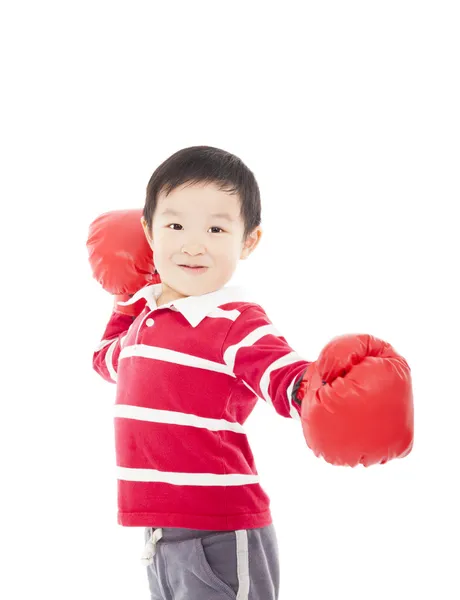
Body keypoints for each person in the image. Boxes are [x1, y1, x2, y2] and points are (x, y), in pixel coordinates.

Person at [90, 145, 413, 599]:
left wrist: (319, 392)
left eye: (217, 228)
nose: (194, 243)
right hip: (157, 534)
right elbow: (106, 360)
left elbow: (281, 376)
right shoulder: (146, 315)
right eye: (175, 225)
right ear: (148, 230)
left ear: (248, 240)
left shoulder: (233, 320)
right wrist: (128, 293)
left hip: (221, 532)